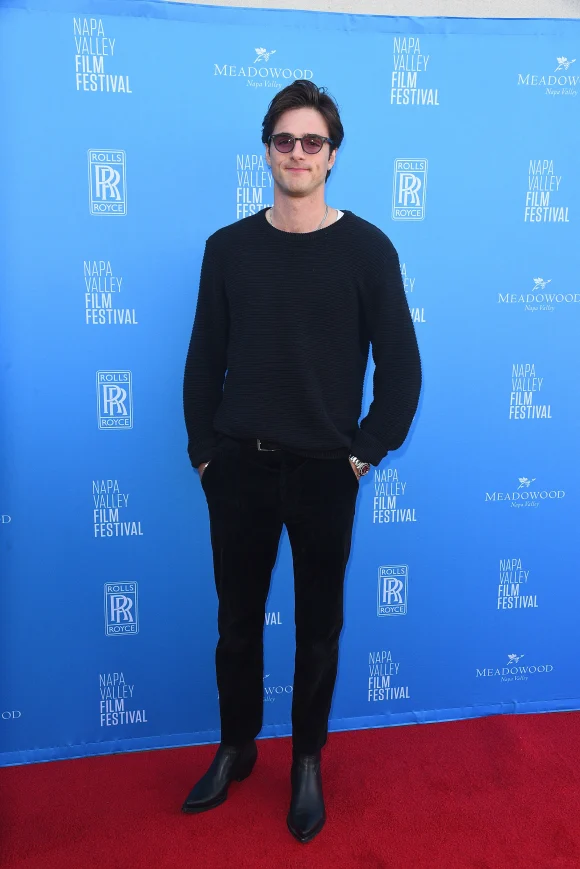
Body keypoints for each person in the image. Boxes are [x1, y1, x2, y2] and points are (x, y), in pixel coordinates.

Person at [181, 80, 422, 844]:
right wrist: (204, 456)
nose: (296, 153)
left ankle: (307, 761)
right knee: (236, 624)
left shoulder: (369, 249)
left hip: (327, 472)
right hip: (239, 469)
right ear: (267, 150)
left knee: (319, 629)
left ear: (333, 155)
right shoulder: (227, 249)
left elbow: (403, 373)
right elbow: (201, 364)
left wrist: (361, 455)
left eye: (311, 141)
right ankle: (237, 745)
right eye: (284, 139)